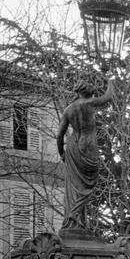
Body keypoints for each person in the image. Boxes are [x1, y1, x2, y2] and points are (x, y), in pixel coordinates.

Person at [56, 76, 114, 231]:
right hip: (88, 147)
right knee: (87, 185)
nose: (92, 88)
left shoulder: (68, 109)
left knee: (75, 187)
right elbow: (108, 97)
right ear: (84, 90)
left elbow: (59, 135)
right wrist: (110, 81)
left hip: (72, 149)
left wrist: (62, 153)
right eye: (89, 86)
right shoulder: (88, 103)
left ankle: (75, 222)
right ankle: (74, 218)